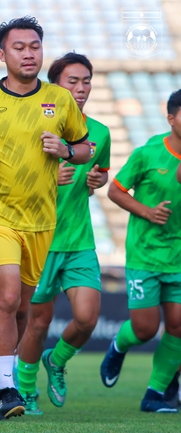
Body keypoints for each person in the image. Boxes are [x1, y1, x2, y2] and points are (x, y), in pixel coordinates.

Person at [0, 16, 92, 420]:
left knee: (23, 310)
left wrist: (64, 150)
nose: (29, 54)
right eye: (19, 47)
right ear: (2, 54)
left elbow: (84, 149)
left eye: (34, 47)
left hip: (41, 219)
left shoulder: (60, 101)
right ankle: (5, 392)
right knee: (6, 299)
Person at [15, 53, 111, 415]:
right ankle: (25, 390)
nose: (82, 88)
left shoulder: (99, 132)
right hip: (38, 239)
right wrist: (45, 179)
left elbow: (98, 172)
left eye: (86, 80)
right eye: (73, 81)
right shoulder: (33, 124)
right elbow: (7, 181)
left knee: (87, 318)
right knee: (37, 321)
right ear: (55, 85)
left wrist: (96, 181)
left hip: (79, 240)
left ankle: (56, 361)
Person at [100, 89, 181, 413]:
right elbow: (116, 190)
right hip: (145, 255)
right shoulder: (147, 153)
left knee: (178, 327)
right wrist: (147, 211)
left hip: (178, 257)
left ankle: (154, 394)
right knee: (146, 329)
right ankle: (118, 346)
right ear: (171, 118)